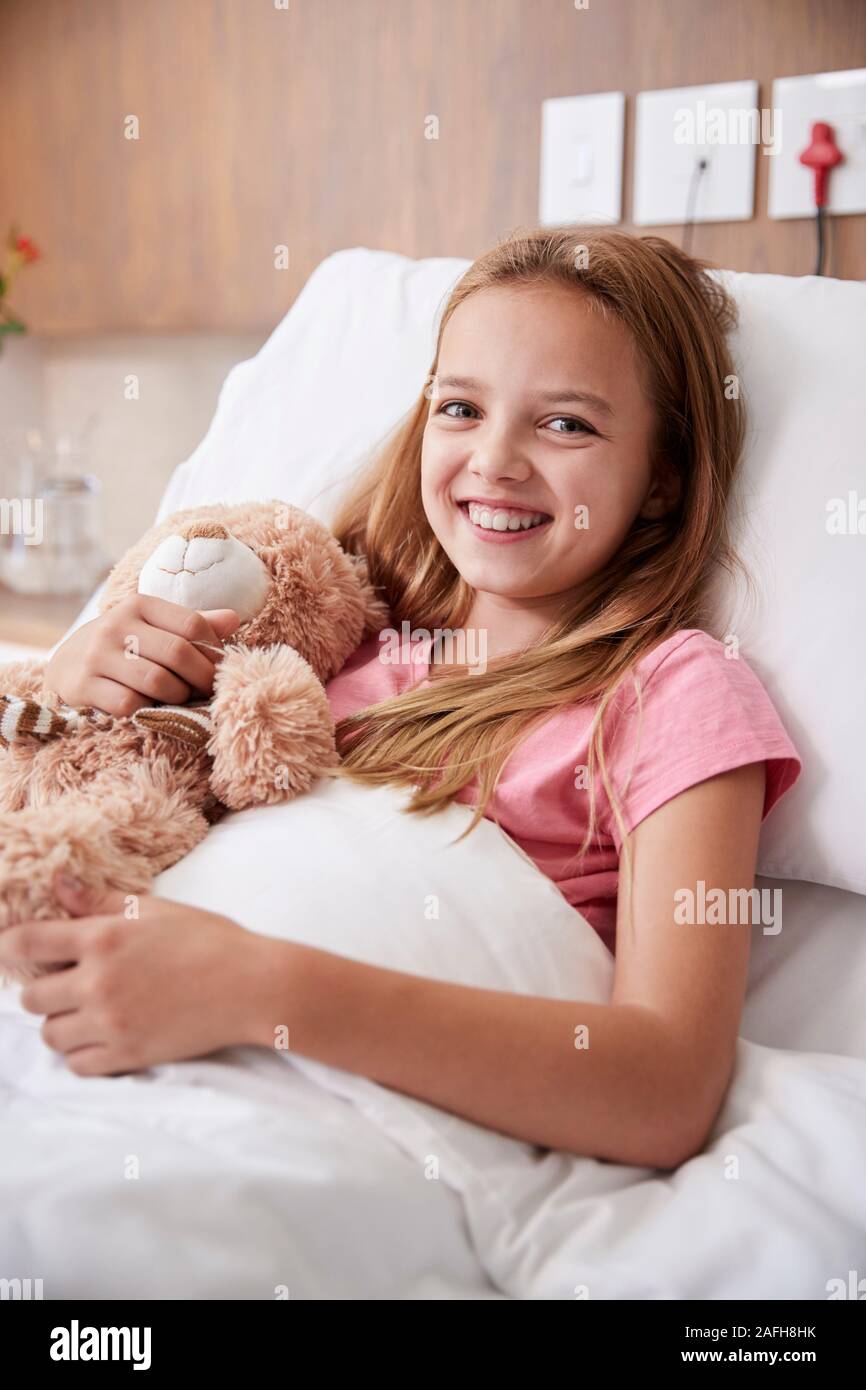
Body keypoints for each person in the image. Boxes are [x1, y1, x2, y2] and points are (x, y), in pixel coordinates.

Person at [3, 226, 802, 1169]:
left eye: (567, 423)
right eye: (460, 407)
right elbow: (120, 782)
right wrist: (61, 693)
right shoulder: (327, 632)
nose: (495, 460)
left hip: (316, 1117)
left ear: (662, 481)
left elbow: (666, 1088)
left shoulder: (673, 694)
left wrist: (258, 989)